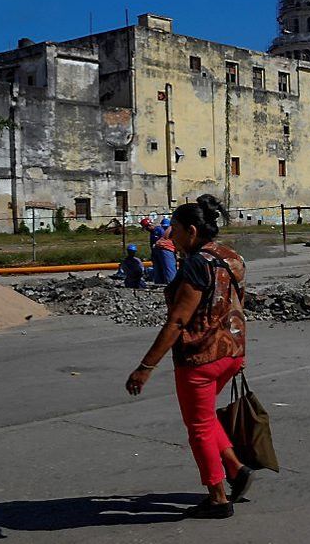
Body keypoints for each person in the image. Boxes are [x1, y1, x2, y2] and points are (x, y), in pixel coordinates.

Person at [125, 194, 253, 519]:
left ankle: (218, 497)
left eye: (176, 229)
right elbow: (236, 305)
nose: (171, 236)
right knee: (206, 417)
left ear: (192, 231)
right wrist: (239, 349)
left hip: (202, 358)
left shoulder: (198, 263)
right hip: (232, 352)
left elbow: (178, 321)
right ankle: (236, 469)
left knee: (198, 425)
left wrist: (145, 367)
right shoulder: (230, 255)